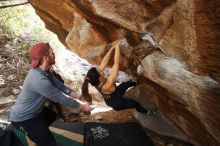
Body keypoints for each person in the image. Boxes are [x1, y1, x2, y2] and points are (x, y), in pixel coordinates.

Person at [10, 43, 91, 146]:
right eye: (52, 52)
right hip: (23, 119)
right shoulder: (39, 80)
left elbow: (60, 86)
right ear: (46, 57)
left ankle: (40, 134)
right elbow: (62, 99)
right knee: (49, 143)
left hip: (35, 112)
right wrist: (82, 107)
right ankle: (40, 136)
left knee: (52, 115)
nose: (54, 54)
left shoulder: (45, 72)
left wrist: (78, 96)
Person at [81, 40, 148, 113]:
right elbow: (116, 63)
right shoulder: (107, 85)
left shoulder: (95, 80)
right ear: (100, 78)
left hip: (113, 94)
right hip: (117, 103)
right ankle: (147, 112)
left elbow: (104, 62)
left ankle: (137, 83)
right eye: (100, 71)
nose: (101, 69)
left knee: (127, 83)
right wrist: (117, 46)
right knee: (134, 103)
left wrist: (112, 48)